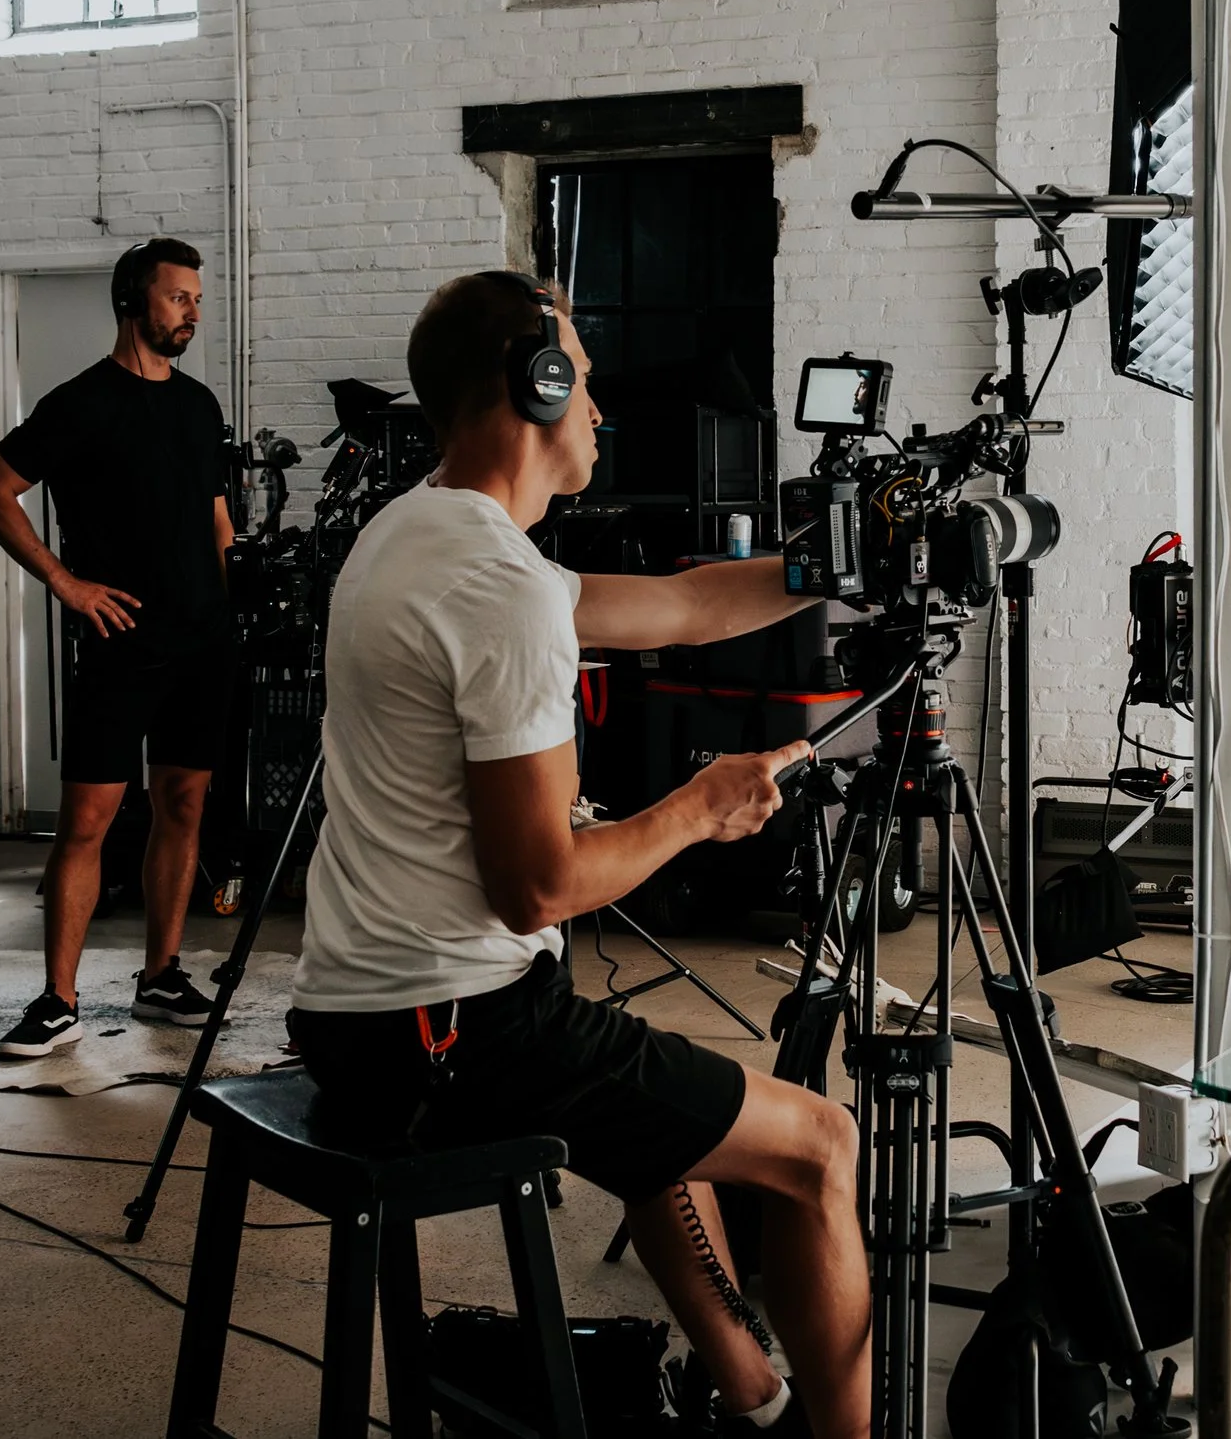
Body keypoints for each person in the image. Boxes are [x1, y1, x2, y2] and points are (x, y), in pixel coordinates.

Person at [287, 272, 868, 1439]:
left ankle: (751, 1394)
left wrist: (838, 564)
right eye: (584, 382)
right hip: (453, 1032)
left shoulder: (420, 528)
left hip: (366, 1014)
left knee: (663, 1113)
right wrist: (700, 805)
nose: (599, 408)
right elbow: (542, 884)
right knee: (819, 1143)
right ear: (534, 385)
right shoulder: (496, 586)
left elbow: (685, 606)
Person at [0, 238, 231, 1058]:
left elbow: (216, 523)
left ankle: (160, 976)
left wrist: (226, 607)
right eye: (178, 296)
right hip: (121, 643)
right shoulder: (81, 402)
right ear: (132, 301)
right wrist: (65, 582)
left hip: (202, 642)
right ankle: (58, 997)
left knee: (183, 804)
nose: (193, 309)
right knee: (87, 820)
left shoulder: (199, 406)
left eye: (196, 297)